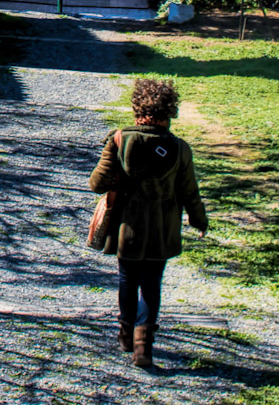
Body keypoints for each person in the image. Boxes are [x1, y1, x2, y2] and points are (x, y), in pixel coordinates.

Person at [88, 77, 208, 370]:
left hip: (127, 226)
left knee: (128, 280)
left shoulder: (119, 139)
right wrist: (198, 218)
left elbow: (96, 184)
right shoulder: (180, 149)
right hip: (162, 229)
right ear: (170, 112)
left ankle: (126, 333)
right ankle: (144, 343)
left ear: (136, 108)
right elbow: (189, 191)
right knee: (152, 283)